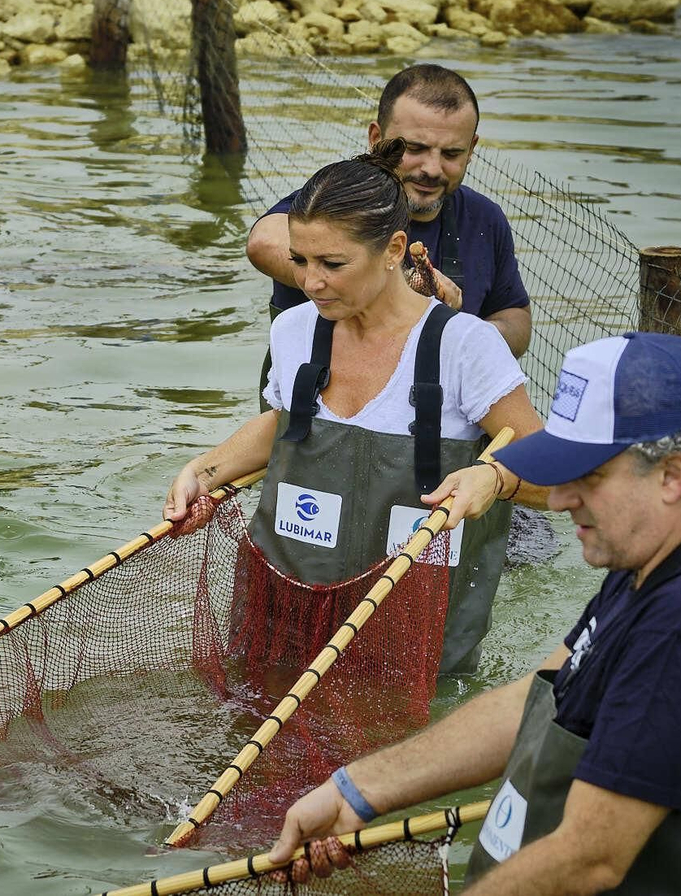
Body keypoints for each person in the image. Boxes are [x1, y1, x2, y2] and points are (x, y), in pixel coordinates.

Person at [269, 333, 681, 895]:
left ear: (673, 475)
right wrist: (355, 790)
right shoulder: (672, 560)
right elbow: (540, 698)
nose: (561, 500)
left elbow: (587, 860)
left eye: (587, 477)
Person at [166, 138, 551, 679]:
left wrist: (496, 480)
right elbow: (286, 426)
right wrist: (200, 473)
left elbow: (556, 479)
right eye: (299, 260)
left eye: (333, 263)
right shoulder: (294, 329)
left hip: (413, 644)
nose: (309, 282)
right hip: (287, 613)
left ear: (394, 250)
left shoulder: (465, 346)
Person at [246, 63, 532, 410]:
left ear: (472, 148)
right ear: (376, 138)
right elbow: (263, 242)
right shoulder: (334, 200)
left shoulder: (487, 218)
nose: (431, 168)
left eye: (452, 154)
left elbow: (515, 319)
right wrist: (395, 289)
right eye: (414, 148)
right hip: (316, 410)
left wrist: (460, 332)